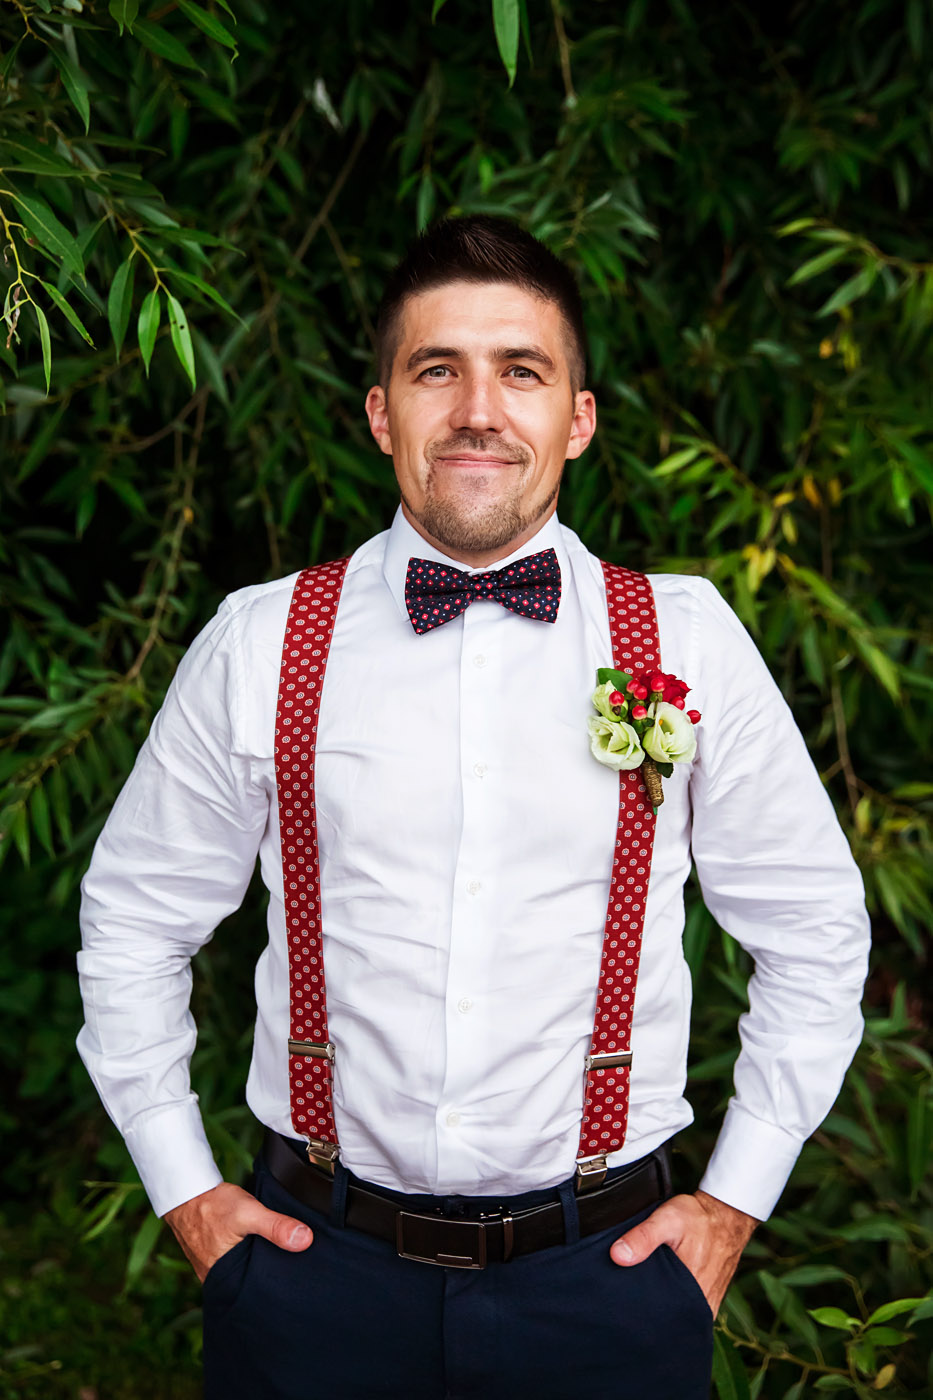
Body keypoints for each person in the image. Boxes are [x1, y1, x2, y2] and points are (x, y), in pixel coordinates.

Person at [77, 215, 870, 1400]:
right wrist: (185, 1188)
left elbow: (813, 931)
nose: (479, 410)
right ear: (382, 412)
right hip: (313, 1281)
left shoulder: (688, 638)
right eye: (437, 369)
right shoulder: (260, 642)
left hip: (610, 1284)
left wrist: (734, 1202)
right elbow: (135, 921)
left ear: (578, 419)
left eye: (522, 371)